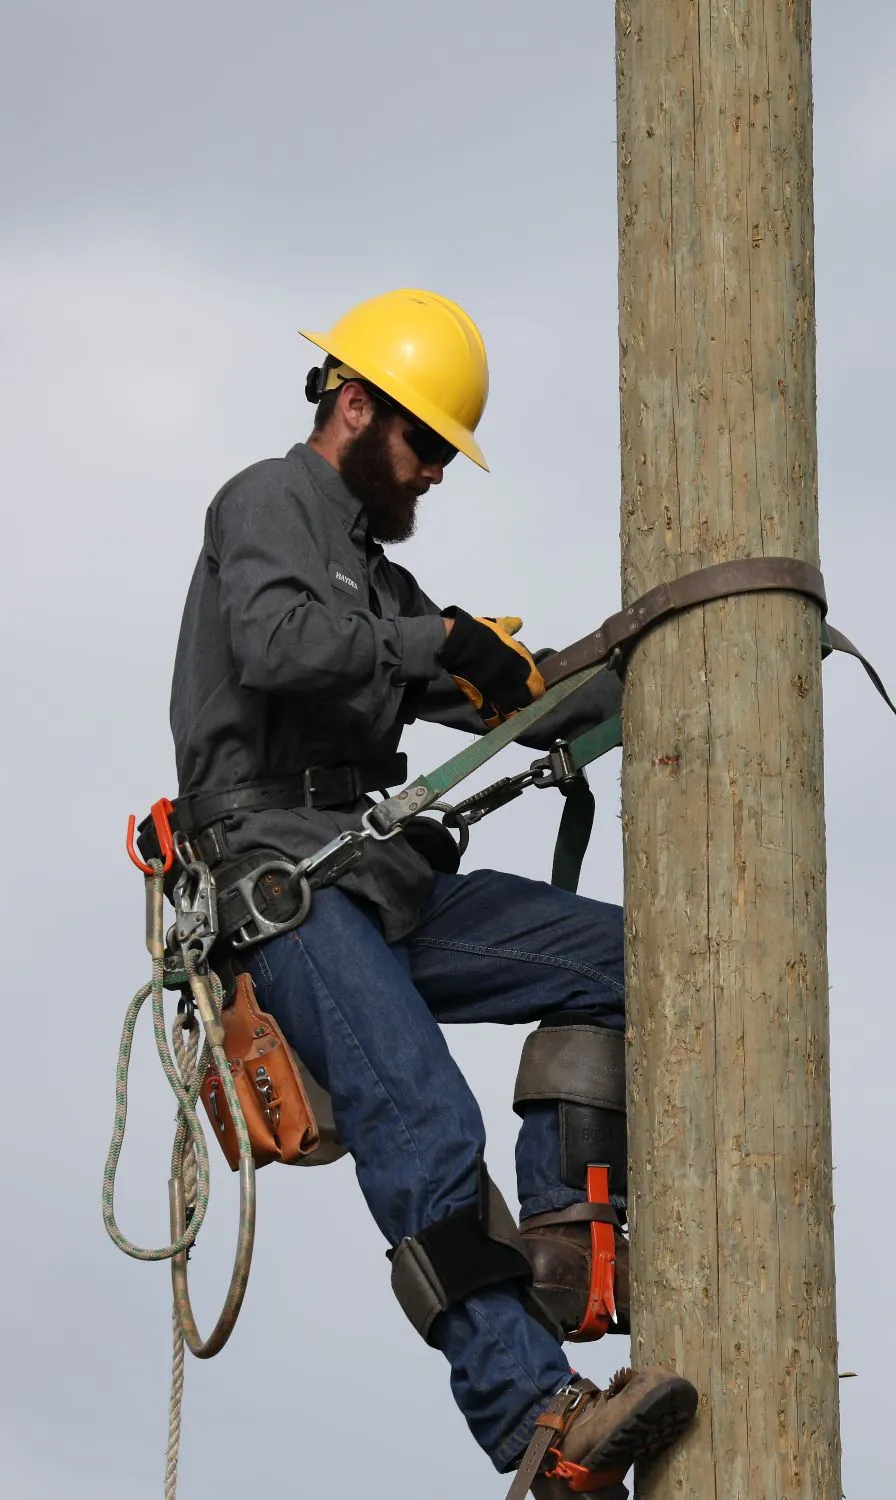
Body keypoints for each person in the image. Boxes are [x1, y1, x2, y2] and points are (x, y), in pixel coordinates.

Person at [168, 288, 697, 1493]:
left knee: (634, 964)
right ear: (353, 407)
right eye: (423, 447)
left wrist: (601, 668)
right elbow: (274, 642)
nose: (434, 477)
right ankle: (536, 1423)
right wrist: (438, 643)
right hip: (285, 890)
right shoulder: (266, 502)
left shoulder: (373, 575)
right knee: (421, 1119)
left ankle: (569, 1252)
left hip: (380, 878)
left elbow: (479, 688)